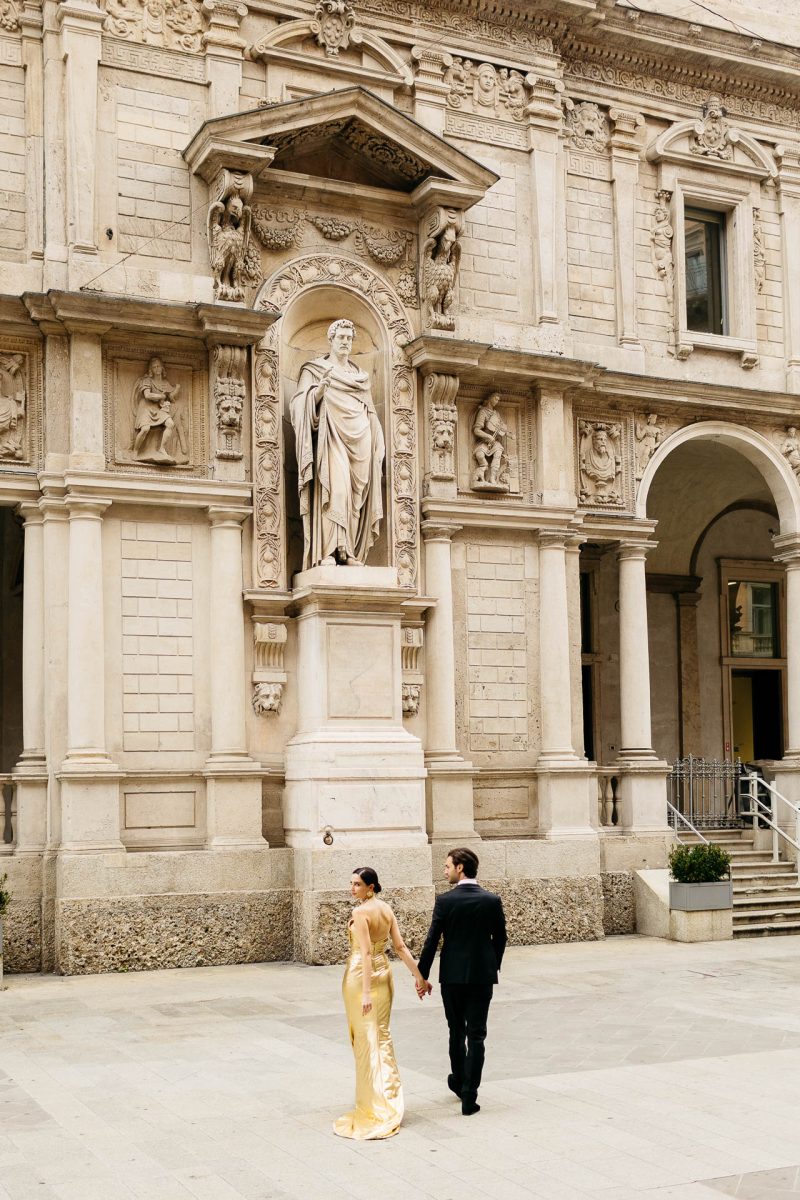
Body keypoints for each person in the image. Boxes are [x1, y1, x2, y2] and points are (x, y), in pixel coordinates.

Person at [333, 866, 428, 1140]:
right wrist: (419, 977)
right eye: (351, 883)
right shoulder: (386, 909)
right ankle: (388, 1096)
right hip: (384, 973)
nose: (352, 889)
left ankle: (374, 1103)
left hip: (360, 976)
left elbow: (363, 952)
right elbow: (400, 947)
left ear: (370, 886)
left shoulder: (360, 913)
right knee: (381, 1036)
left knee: (364, 1039)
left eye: (357, 885)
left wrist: (364, 992)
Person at [416, 847, 507, 1116]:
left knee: (456, 1031)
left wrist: (422, 976)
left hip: (453, 977)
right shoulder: (492, 900)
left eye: (447, 866)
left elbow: (432, 941)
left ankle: (458, 1080)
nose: (444, 871)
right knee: (477, 1035)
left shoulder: (445, 901)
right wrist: (492, 966)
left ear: (460, 868)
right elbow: (500, 938)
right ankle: (470, 1095)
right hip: (482, 976)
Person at [290, 319, 385, 570]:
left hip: (361, 440)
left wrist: (379, 442)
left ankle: (349, 550)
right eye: (340, 337)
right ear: (330, 340)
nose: (345, 341)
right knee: (337, 490)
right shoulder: (316, 370)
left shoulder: (359, 377)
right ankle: (328, 551)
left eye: (349, 338)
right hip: (331, 438)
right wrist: (318, 392)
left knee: (356, 498)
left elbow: (371, 412)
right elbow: (298, 405)